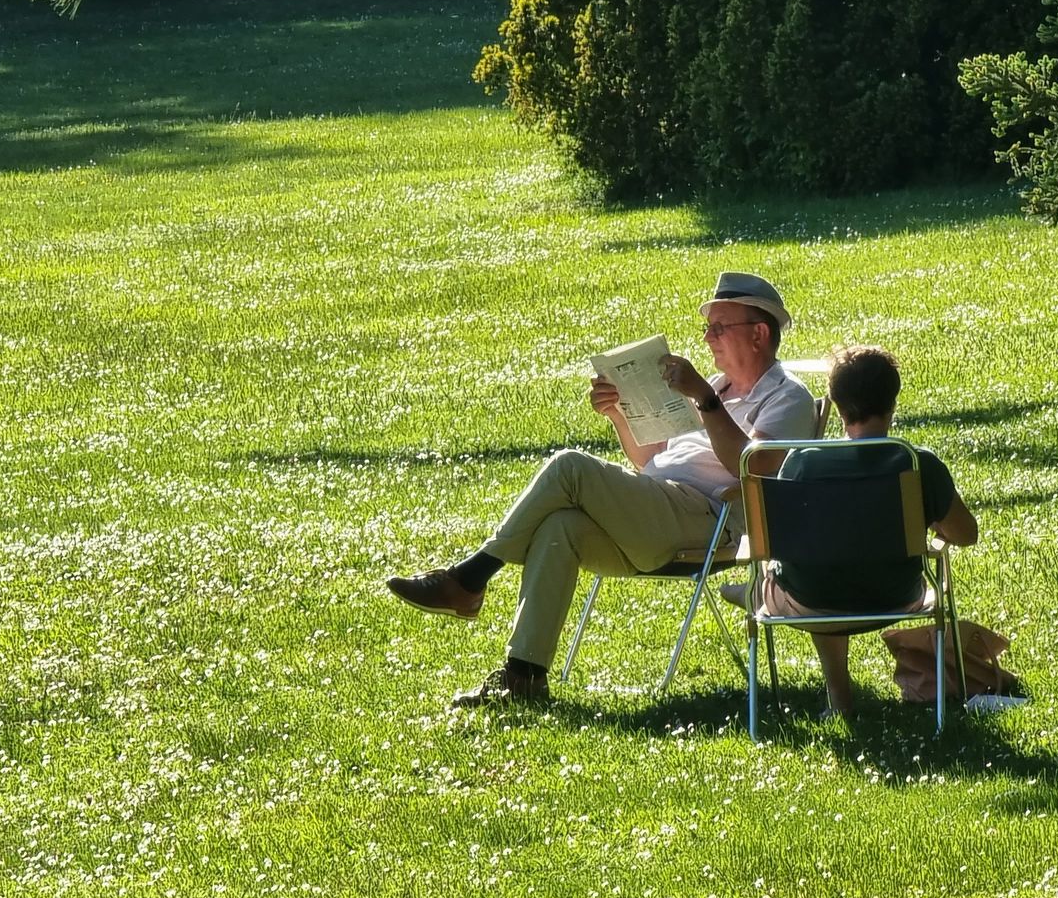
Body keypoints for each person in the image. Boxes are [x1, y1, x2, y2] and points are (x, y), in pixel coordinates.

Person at [387, 272, 820, 707]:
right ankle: (523, 678)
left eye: (719, 327)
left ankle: (469, 578)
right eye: (708, 327)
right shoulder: (716, 387)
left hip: (710, 521)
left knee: (570, 466)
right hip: (655, 510)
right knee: (561, 527)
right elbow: (649, 460)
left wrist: (705, 400)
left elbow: (754, 469)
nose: (708, 337)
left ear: (759, 333)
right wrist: (618, 414)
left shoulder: (787, 397)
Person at [751, 345, 977, 720]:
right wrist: (933, 522)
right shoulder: (916, 464)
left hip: (812, 599)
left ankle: (840, 700)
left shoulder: (803, 463)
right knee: (833, 570)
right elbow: (965, 534)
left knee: (822, 573)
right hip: (897, 594)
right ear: (893, 399)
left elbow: (786, 540)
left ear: (836, 405)